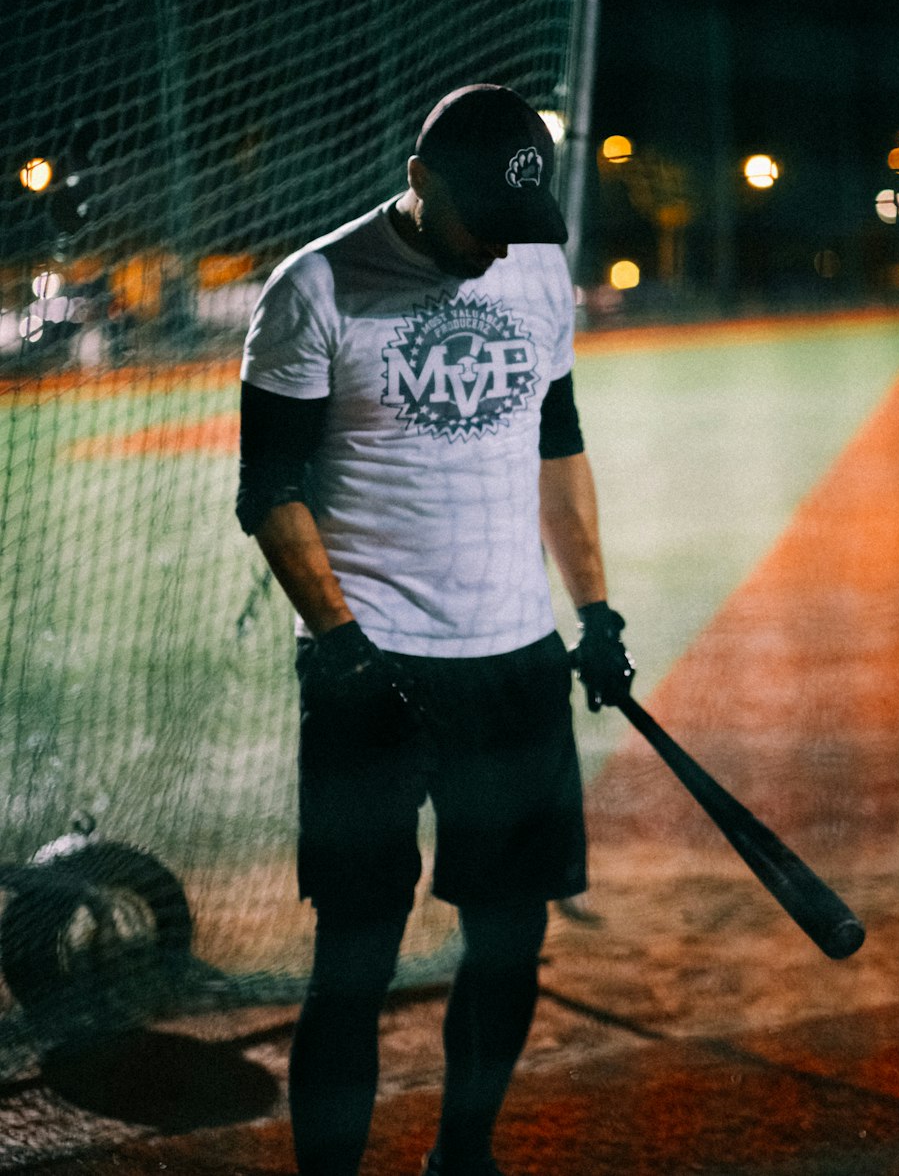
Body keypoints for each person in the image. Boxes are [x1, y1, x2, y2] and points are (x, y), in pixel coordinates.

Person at [237, 84, 635, 1176]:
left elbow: (558, 449)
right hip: (372, 668)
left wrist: (593, 609)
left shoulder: (535, 267)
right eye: (481, 225)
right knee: (355, 957)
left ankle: (464, 1156)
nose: (497, 250)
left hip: (513, 661)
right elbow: (267, 491)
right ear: (420, 186)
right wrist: (344, 640)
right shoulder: (314, 286)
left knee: (511, 936)